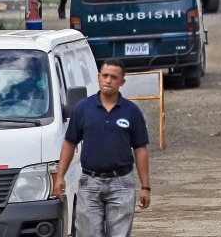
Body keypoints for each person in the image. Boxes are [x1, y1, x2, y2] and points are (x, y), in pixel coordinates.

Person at [54, 59, 151, 237]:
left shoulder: (132, 111)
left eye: (114, 77)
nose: (108, 80)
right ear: (98, 78)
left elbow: (140, 149)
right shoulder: (83, 108)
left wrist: (146, 187)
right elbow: (70, 142)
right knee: (87, 233)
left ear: (122, 82)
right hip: (89, 183)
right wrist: (60, 176)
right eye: (105, 76)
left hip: (121, 183)